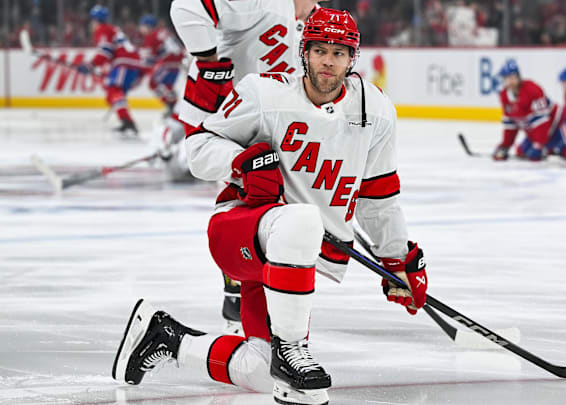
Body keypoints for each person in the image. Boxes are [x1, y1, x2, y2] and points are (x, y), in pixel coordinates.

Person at [112, 8, 429, 405]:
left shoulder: (375, 112)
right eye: (319, 51)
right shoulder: (265, 94)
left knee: (262, 372)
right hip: (239, 228)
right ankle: (293, 349)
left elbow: (378, 196)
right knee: (302, 221)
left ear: (353, 59)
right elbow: (198, 150)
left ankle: (164, 338)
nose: (328, 61)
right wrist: (242, 162)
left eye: (338, 52)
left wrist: (397, 259)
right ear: (304, 52)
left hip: (289, 256)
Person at [170, 0, 328, 323]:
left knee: (275, 201)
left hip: (257, 125)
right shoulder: (265, 2)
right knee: (253, 187)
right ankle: (239, 281)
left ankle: (250, 284)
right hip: (219, 122)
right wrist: (210, 64)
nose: (318, 5)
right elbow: (185, 7)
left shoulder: (304, 27)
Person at [78, 5, 144, 137]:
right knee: (113, 94)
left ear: (95, 20)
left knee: (113, 91)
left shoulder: (102, 29)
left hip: (124, 62)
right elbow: (111, 52)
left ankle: (128, 123)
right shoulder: (112, 29)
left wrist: (90, 65)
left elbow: (105, 52)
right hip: (129, 62)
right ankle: (126, 121)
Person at [138, 14, 184, 114]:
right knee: (168, 85)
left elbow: (149, 60)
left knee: (152, 83)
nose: (141, 29)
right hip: (177, 63)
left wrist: (141, 72)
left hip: (167, 63)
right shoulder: (164, 31)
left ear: (148, 26)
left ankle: (171, 105)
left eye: (142, 26)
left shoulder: (151, 35)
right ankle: (173, 106)